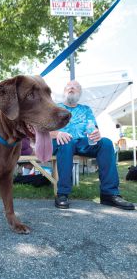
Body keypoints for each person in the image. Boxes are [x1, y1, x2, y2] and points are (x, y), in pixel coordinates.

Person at [51, 80, 135, 210]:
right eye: (69, 86)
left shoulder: (86, 109)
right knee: (66, 143)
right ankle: (62, 193)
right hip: (63, 141)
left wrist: (96, 133)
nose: (72, 88)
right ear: (64, 91)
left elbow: (92, 128)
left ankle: (109, 194)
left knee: (106, 143)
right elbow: (42, 130)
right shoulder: (55, 108)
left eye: (76, 87)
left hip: (83, 142)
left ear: (80, 93)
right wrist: (56, 133)